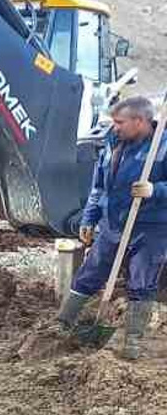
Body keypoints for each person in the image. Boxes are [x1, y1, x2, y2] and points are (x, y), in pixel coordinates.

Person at [57, 95, 167, 359]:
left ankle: (132, 343)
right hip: (112, 223)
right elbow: (99, 186)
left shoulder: (162, 147)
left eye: (120, 122)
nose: (114, 126)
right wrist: (89, 217)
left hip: (151, 228)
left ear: (140, 121)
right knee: (90, 272)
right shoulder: (112, 143)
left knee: (142, 282)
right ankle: (62, 324)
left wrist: (156, 190)